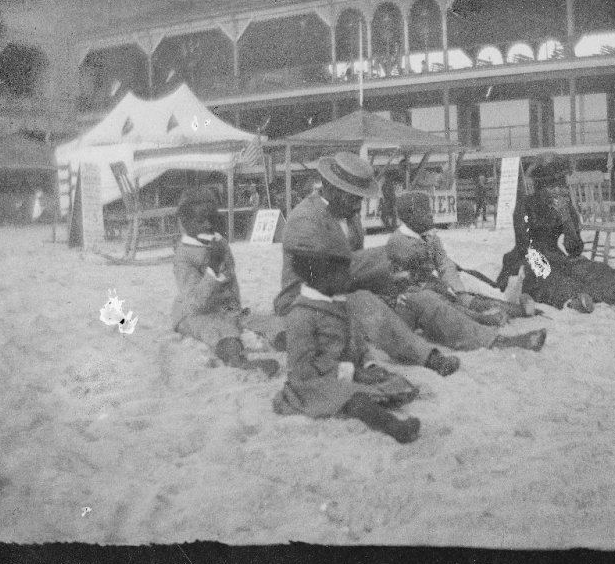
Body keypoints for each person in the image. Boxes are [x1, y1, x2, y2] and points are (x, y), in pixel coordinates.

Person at [275, 153, 544, 377]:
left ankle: (492, 340)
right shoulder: (305, 220)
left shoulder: (348, 215)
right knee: (365, 302)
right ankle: (429, 358)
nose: (359, 206)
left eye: (360, 198)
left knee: (421, 296)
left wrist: (395, 280)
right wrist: (389, 257)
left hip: (342, 290)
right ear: (330, 188)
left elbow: (353, 269)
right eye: (354, 197)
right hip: (305, 300)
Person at [272, 226, 422, 444]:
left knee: (393, 383)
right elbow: (302, 366)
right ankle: (394, 427)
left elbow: (356, 343)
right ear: (319, 278)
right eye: (342, 274)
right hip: (312, 382)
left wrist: (367, 366)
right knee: (355, 399)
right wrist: (353, 373)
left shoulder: (340, 304)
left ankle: (368, 394)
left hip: (344, 374)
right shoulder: (301, 314)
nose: (348, 278)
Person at [496, 154, 615, 312]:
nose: (559, 191)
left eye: (562, 186)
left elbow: (575, 250)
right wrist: (555, 261)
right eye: (553, 187)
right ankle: (576, 301)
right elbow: (525, 246)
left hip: (557, 257)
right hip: (527, 260)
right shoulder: (525, 207)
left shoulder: (564, 205)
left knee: (597, 270)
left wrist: (567, 222)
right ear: (540, 187)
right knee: (551, 277)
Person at [386, 191, 538, 326]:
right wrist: (440, 287)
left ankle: (519, 310)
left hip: (435, 283)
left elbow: (443, 263)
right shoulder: (399, 241)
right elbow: (405, 279)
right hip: (417, 292)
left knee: (467, 296)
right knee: (449, 305)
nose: (431, 215)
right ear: (411, 216)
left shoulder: (430, 236)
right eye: (426, 212)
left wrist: (456, 288)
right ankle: (484, 318)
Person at [172, 198, 281, 376]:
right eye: (200, 221)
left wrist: (235, 309)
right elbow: (194, 302)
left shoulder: (220, 242)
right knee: (224, 332)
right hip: (195, 313)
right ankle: (237, 361)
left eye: (212, 219)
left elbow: (232, 280)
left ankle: (289, 342)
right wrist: (213, 267)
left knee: (266, 322)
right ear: (185, 224)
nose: (208, 225)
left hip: (226, 307)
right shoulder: (183, 256)